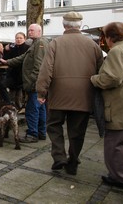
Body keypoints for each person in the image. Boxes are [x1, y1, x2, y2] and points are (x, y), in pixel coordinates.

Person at [36, 12, 103, 175]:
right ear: (80, 25)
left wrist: (41, 92)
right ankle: (72, 161)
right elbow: (101, 70)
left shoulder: (55, 43)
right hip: (84, 94)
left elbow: (46, 70)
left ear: (64, 25)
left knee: (53, 125)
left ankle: (59, 156)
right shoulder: (93, 45)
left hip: (59, 93)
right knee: (77, 131)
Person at [91, 22, 123, 190]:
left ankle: (120, 177)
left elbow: (112, 78)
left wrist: (94, 79)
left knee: (116, 143)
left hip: (119, 105)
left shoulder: (117, 51)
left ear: (109, 37)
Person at [2, 24, 49, 143]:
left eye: (32, 30)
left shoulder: (40, 43)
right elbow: (23, 57)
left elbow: (39, 65)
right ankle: (41, 132)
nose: (29, 32)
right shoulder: (34, 44)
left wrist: (33, 81)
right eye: (29, 30)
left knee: (32, 109)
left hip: (35, 84)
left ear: (39, 31)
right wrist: (7, 61)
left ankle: (33, 134)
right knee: (41, 108)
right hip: (36, 83)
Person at [3, 32, 30, 110]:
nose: (18, 40)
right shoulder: (12, 47)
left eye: (20, 38)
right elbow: (6, 58)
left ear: (24, 39)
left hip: (23, 73)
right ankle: (11, 108)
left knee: (19, 92)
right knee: (12, 92)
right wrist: (6, 50)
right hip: (12, 73)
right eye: (17, 38)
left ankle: (19, 107)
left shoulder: (27, 47)